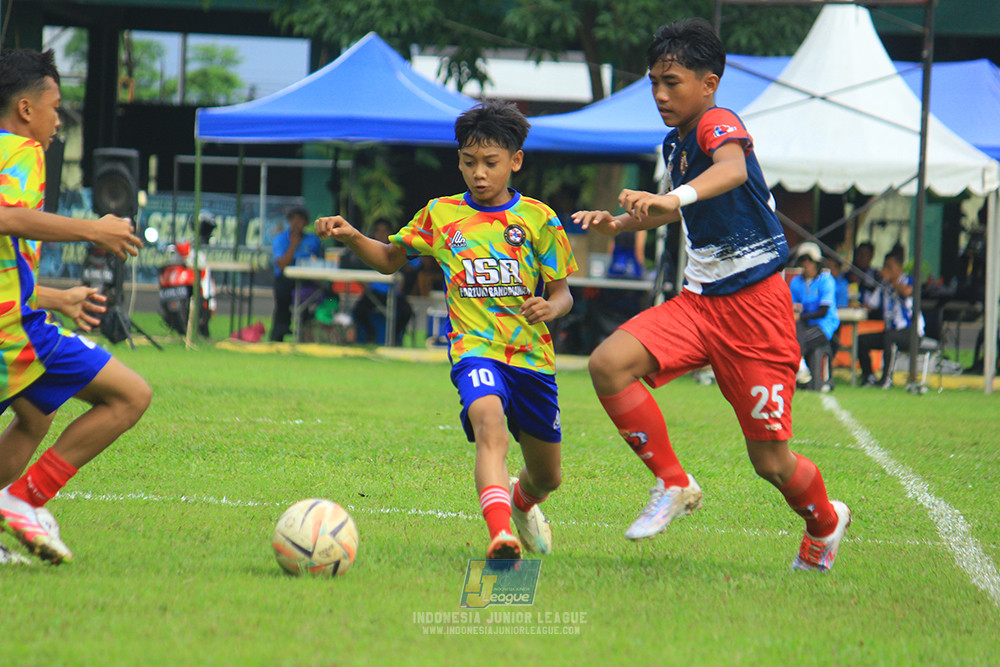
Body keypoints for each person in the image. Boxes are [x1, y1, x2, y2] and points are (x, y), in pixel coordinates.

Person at [572, 19, 850, 572]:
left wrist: (671, 199)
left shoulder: (719, 123)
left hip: (758, 313)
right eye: (653, 81)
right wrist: (620, 225)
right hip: (699, 304)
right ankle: (673, 482)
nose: (659, 94)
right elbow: (673, 209)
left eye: (671, 82)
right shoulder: (674, 144)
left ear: (710, 83)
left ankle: (824, 521)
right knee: (608, 364)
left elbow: (730, 170)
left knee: (770, 461)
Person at [315, 100, 577, 560]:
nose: (479, 173)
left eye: (491, 163)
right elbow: (388, 261)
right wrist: (352, 235)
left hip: (532, 360)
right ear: (458, 160)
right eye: (469, 162)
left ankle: (521, 502)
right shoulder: (440, 214)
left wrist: (551, 308)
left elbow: (563, 293)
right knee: (489, 427)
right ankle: (500, 536)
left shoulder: (540, 218)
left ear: (515, 161)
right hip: (475, 351)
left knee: (547, 477)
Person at [0, 48, 151, 565]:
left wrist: (56, 297)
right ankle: (23, 500)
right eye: (54, 106)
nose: (57, 120)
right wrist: (93, 228)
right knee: (130, 396)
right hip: (11, 332)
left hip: (17, 320)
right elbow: (7, 218)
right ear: (25, 109)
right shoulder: (20, 151)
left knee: (35, 417)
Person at [341, 219, 415, 346]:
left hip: (393, 293)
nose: (381, 234)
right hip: (373, 292)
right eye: (378, 231)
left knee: (406, 311)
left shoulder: (397, 251)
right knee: (358, 311)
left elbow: (408, 271)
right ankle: (371, 335)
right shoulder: (366, 251)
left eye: (385, 231)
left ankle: (395, 338)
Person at [857, 249, 924, 388]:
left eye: (889, 267)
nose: (885, 270)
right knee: (862, 340)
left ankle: (886, 379)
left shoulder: (908, 280)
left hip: (911, 332)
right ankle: (868, 376)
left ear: (899, 267)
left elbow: (907, 292)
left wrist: (893, 281)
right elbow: (870, 305)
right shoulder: (884, 285)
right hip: (890, 332)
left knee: (890, 337)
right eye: (885, 266)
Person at [789, 242, 840, 387]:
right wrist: (795, 310)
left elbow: (823, 311)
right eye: (803, 260)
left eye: (809, 260)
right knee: (791, 332)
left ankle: (800, 366)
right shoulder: (796, 282)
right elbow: (793, 308)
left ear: (817, 263)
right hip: (803, 325)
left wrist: (800, 316)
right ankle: (801, 366)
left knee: (797, 339)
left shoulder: (827, 281)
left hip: (824, 325)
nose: (806, 264)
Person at [269, 205, 323, 342]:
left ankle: (304, 334)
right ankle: (278, 334)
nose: (297, 224)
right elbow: (281, 265)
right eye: (294, 220)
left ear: (306, 222)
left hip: (306, 280)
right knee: (283, 301)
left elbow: (320, 262)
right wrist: (293, 244)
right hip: (285, 279)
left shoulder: (313, 240)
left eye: (301, 220)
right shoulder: (281, 239)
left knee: (311, 301)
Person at [848, 241, 881, 310]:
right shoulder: (848, 274)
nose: (861, 257)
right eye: (859, 254)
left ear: (871, 256)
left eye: (865, 254)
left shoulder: (877, 276)